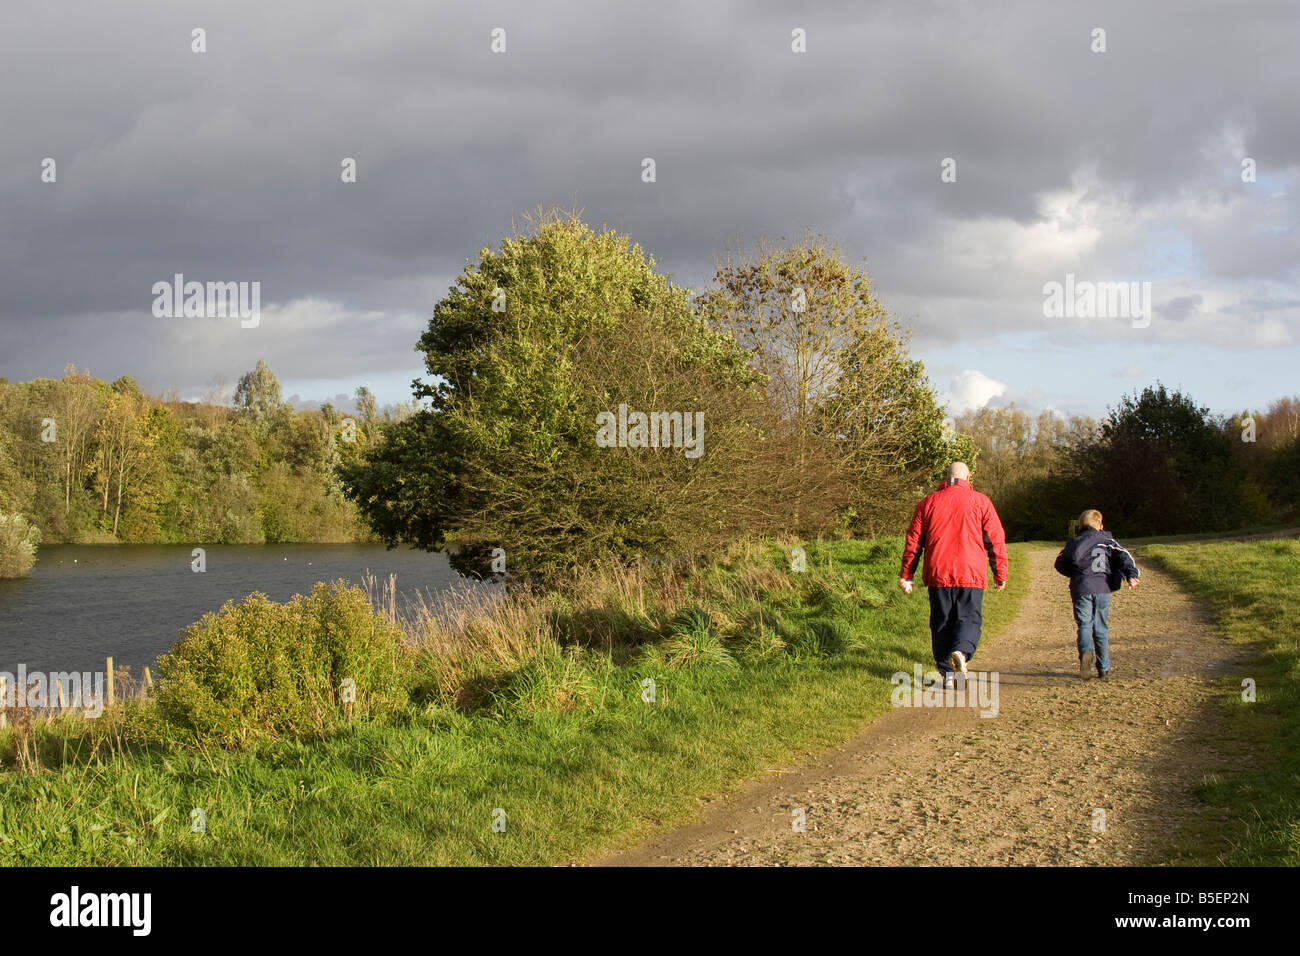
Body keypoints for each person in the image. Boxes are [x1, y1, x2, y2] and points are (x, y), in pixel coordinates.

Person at [899, 462, 1009, 690]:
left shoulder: (927, 503)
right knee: (968, 619)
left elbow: (914, 543)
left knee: (941, 622)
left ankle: (948, 674)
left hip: (938, 572)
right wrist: (1000, 573)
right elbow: (995, 540)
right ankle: (961, 652)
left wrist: (907, 575)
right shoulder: (981, 502)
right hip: (971, 573)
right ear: (968, 477)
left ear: (946, 477)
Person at [1053, 509, 1139, 681]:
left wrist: (1074, 574)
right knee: (1100, 626)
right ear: (1101, 526)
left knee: (1084, 624)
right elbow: (1124, 556)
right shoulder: (1107, 541)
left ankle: (1086, 653)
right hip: (1102, 587)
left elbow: (1060, 563)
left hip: (1081, 587)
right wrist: (1132, 575)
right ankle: (1103, 667)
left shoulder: (1074, 543)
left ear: (1080, 526)